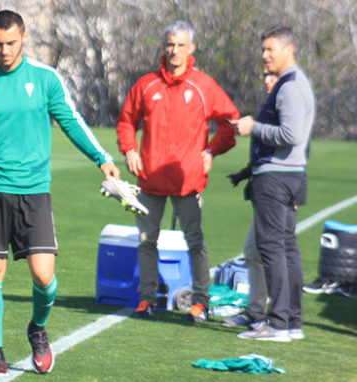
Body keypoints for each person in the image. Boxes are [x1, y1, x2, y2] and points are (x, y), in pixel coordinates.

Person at [0, 10, 120, 377]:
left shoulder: (45, 79)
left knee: (44, 279)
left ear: (25, 37)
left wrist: (102, 158)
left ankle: (37, 329)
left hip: (33, 192)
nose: (4, 51)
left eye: (11, 43)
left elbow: (71, 119)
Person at [116, 20, 239, 322]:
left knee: (194, 241)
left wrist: (211, 150)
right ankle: (146, 300)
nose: (174, 50)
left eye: (180, 45)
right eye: (170, 44)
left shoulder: (203, 85)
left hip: (188, 180)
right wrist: (130, 149)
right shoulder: (147, 84)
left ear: (191, 48)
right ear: (164, 46)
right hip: (150, 180)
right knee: (146, 241)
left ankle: (201, 302)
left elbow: (230, 121)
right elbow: (125, 121)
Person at [231, 25, 315, 342]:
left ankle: (278, 323)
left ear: (288, 50)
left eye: (270, 49)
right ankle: (291, 321)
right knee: (286, 249)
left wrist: (253, 127)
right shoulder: (293, 84)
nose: (264, 56)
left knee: (272, 249)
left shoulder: (290, 86)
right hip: (287, 176)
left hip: (277, 176)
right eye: (263, 50)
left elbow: (291, 136)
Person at [222, 70, 279, 329]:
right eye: (265, 76)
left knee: (271, 254)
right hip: (263, 192)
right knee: (254, 251)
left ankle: (276, 315)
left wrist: (253, 126)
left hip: (278, 194)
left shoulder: (287, 107)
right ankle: (256, 312)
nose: (266, 81)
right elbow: (263, 155)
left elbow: (292, 149)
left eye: (272, 76)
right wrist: (244, 174)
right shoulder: (271, 106)